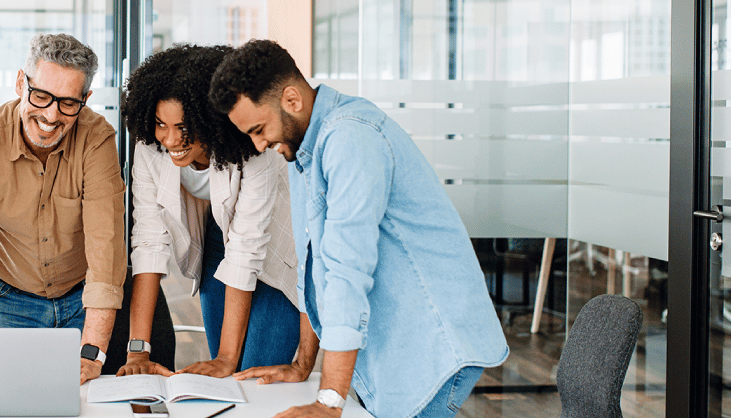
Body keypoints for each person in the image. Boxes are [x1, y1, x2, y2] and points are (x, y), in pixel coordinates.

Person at [209, 39, 509, 418]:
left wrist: (329, 401)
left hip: (432, 346)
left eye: (258, 128)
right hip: (395, 348)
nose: (259, 143)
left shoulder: (350, 138)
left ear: (291, 99)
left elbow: (345, 271)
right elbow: (312, 265)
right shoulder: (303, 146)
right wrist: (303, 363)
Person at [0, 33, 125, 384]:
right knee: (2, 397)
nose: (52, 115)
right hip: (8, 297)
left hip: (83, 299)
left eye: (68, 103)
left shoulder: (97, 139)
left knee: (83, 401)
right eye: (41, 96)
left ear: (86, 99)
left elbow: (106, 251)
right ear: (21, 82)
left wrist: (92, 352)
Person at [117, 44, 300, 378]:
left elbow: (247, 249)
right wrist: (138, 351)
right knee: (224, 373)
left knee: (254, 372)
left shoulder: (254, 148)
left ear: (211, 119)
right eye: (161, 124)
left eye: (184, 128)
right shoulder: (150, 147)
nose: (170, 139)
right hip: (216, 238)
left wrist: (228, 359)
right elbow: (148, 243)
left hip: (274, 249)